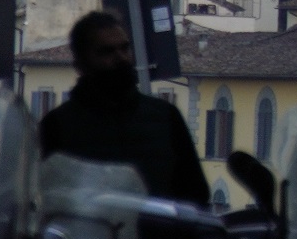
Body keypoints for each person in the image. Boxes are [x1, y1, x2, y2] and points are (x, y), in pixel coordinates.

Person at [37, 10, 212, 205]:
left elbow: (196, 195)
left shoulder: (166, 117)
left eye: (124, 48)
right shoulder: (57, 125)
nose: (120, 58)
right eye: (107, 52)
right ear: (81, 64)